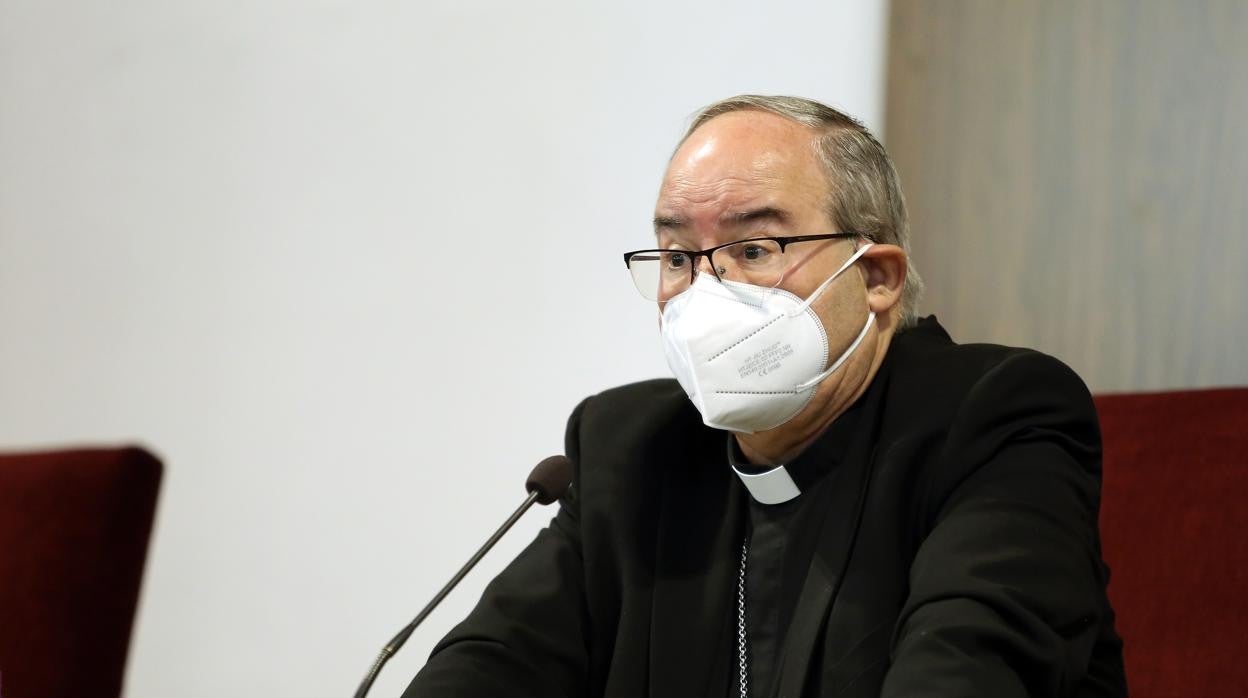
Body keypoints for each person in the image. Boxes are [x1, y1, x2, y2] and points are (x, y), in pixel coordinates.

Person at [403, 95, 1126, 697]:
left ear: (876, 276)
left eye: (754, 251)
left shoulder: (996, 421)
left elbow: (965, 675)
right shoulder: (631, 449)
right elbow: (485, 671)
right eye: (680, 257)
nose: (706, 292)